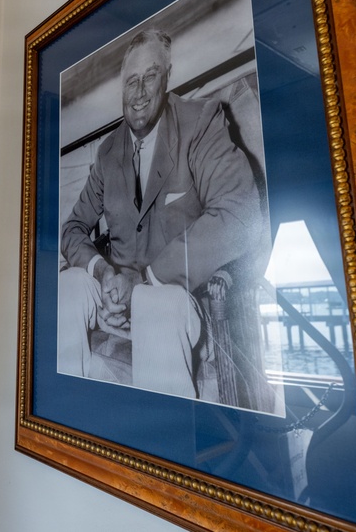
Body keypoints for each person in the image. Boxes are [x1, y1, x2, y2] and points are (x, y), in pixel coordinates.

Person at [58, 29, 262, 399]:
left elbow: (239, 212)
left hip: (173, 292)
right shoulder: (107, 153)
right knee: (68, 287)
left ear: (167, 77)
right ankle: (75, 412)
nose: (138, 93)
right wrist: (104, 275)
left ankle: (160, 439)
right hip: (116, 295)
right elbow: (72, 228)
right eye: (130, 82)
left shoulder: (201, 122)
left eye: (149, 77)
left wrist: (146, 280)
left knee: (155, 303)